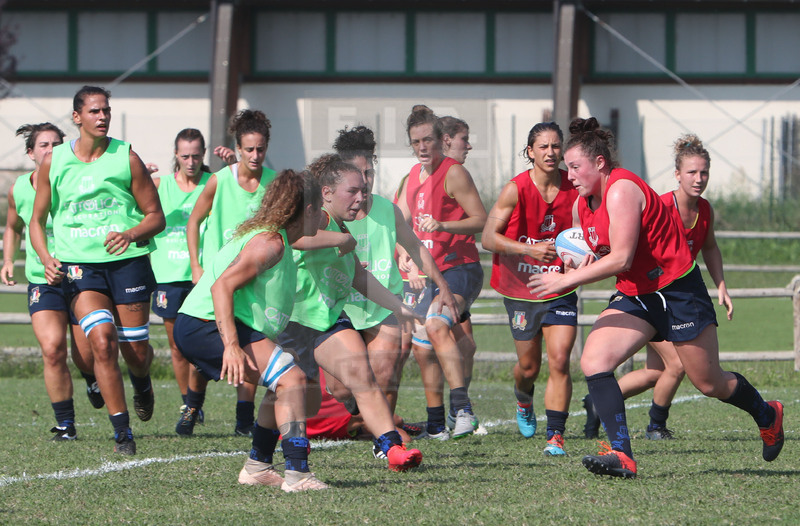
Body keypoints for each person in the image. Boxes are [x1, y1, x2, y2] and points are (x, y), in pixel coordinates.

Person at [528, 117, 784, 479]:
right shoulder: (582, 204)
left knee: (709, 382)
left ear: (599, 163)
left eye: (575, 167)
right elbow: (603, 252)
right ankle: (622, 454)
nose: (568, 174)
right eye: (568, 167)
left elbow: (622, 258)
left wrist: (564, 282)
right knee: (594, 361)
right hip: (638, 295)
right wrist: (577, 260)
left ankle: (768, 414)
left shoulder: (621, 189)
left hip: (678, 291)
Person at [29, 86, 165, 455]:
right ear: (77, 117)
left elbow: (157, 216)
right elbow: (36, 221)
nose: (102, 117)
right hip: (81, 268)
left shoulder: (127, 157)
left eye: (106, 110)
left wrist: (131, 233)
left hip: (128, 266)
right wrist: (45, 257)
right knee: (102, 340)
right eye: (94, 111)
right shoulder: (53, 161)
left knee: (135, 352)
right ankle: (123, 432)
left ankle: (142, 384)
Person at [175, 169, 329, 492]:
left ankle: (258, 466)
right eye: (320, 206)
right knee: (292, 379)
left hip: (209, 323)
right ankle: (298, 474)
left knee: (283, 383)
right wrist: (230, 345)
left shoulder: (281, 238)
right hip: (202, 324)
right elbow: (222, 287)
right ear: (308, 210)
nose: (323, 215)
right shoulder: (270, 242)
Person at [583, 133, 734, 441]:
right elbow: (619, 243)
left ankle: (597, 402)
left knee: (656, 373)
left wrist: (721, 285)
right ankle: (655, 426)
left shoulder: (704, 210)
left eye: (704, 172)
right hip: (649, 295)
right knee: (676, 365)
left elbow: (711, 247)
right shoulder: (660, 205)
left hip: (679, 296)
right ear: (677, 174)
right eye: (691, 172)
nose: (699, 178)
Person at [278, 154, 423, 472]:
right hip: (293, 322)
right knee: (303, 397)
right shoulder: (320, 220)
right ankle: (273, 460)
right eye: (352, 191)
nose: (362, 197)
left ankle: (390, 448)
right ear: (326, 193)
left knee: (362, 375)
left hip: (328, 319)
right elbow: (293, 236)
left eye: (364, 191)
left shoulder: (342, 227)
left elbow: (359, 276)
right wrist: (341, 238)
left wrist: (400, 308)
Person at [333, 125, 457, 457]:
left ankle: (384, 442)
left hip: (383, 306)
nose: (365, 180)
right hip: (341, 309)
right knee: (340, 386)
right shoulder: (329, 214)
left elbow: (416, 248)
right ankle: (364, 415)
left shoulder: (388, 210)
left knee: (385, 374)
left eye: (369, 171)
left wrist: (442, 285)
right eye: (358, 174)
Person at [482, 122, 579, 455]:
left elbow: (587, 232)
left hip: (560, 286)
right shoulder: (515, 189)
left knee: (561, 359)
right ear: (530, 152)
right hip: (521, 288)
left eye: (555, 146)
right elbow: (487, 238)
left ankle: (555, 436)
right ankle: (524, 398)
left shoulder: (575, 187)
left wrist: (580, 257)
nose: (550, 153)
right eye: (543, 147)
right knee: (529, 368)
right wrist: (529, 249)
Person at [2, 122, 102, 441]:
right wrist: (7, 260)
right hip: (41, 280)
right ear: (31, 153)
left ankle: (90, 377)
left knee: (85, 354)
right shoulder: (19, 187)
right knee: (53, 348)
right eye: (43, 145)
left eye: (57, 144)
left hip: (80, 276)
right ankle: (65, 424)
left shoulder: (77, 182)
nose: (51, 150)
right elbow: (13, 226)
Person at [395, 105, 487, 439]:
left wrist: (444, 224)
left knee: (436, 325)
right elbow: (397, 225)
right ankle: (437, 424)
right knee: (422, 346)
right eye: (415, 141)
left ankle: (462, 409)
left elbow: (481, 219)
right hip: (430, 275)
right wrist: (405, 255)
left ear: (440, 140)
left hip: (461, 269)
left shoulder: (454, 173)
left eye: (428, 139)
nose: (422, 146)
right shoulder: (410, 179)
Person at [185, 109, 277, 437]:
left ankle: (243, 419)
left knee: (249, 341)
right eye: (249, 149)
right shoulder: (219, 181)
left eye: (261, 149)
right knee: (206, 346)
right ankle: (193, 405)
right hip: (216, 280)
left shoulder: (274, 183)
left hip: (252, 279)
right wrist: (197, 265)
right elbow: (193, 221)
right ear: (237, 149)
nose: (255, 155)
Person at [149, 128, 213, 421]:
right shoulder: (160, 185)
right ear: (176, 155)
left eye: (196, 155)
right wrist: (134, 173)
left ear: (204, 155)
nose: (191, 161)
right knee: (176, 345)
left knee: (199, 344)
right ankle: (188, 405)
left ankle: (199, 401)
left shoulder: (212, 184)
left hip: (202, 276)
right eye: (185, 156)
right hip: (168, 275)